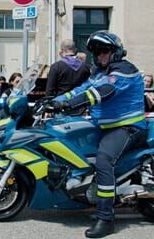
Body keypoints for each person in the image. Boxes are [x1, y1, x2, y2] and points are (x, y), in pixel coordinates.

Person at [52, 31, 147, 238]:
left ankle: (106, 218)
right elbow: (81, 89)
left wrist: (69, 104)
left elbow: (102, 92)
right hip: (105, 127)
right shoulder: (97, 73)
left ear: (115, 52)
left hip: (128, 127)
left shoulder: (124, 70)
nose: (99, 55)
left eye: (104, 51)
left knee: (104, 160)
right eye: (96, 52)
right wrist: (53, 101)